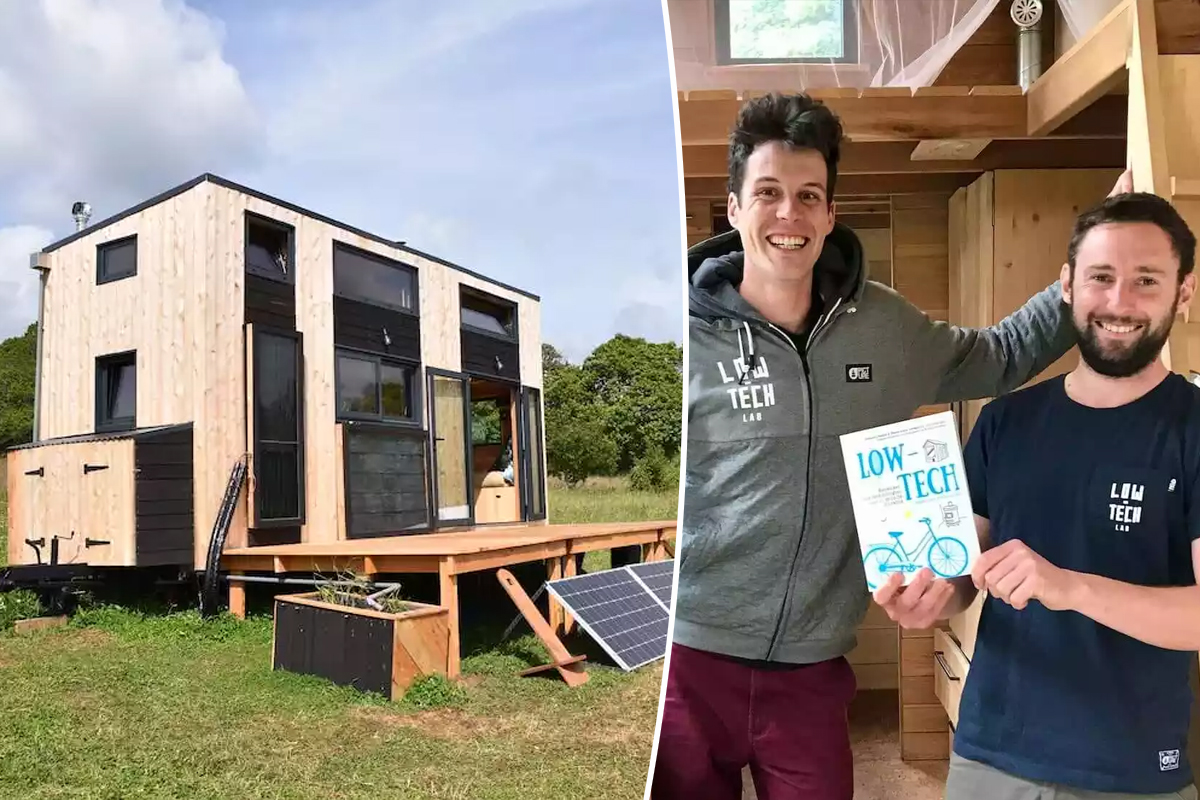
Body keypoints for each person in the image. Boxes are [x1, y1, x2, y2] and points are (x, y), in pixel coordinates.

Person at [651, 90, 1132, 800]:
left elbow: (1000, 354)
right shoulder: (681, 339)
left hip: (813, 671)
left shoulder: (884, 326)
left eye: (809, 195)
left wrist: (1090, 264)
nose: (790, 214)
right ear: (734, 207)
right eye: (769, 193)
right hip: (689, 663)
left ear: (830, 213)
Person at [874, 192, 1200, 799]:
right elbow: (965, 569)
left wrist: (1068, 587)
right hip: (989, 756)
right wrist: (930, 596)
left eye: (1146, 281)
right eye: (1101, 277)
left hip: (1129, 772)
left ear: (1183, 293)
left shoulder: (1193, 430)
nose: (1119, 302)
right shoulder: (1005, 422)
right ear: (1068, 285)